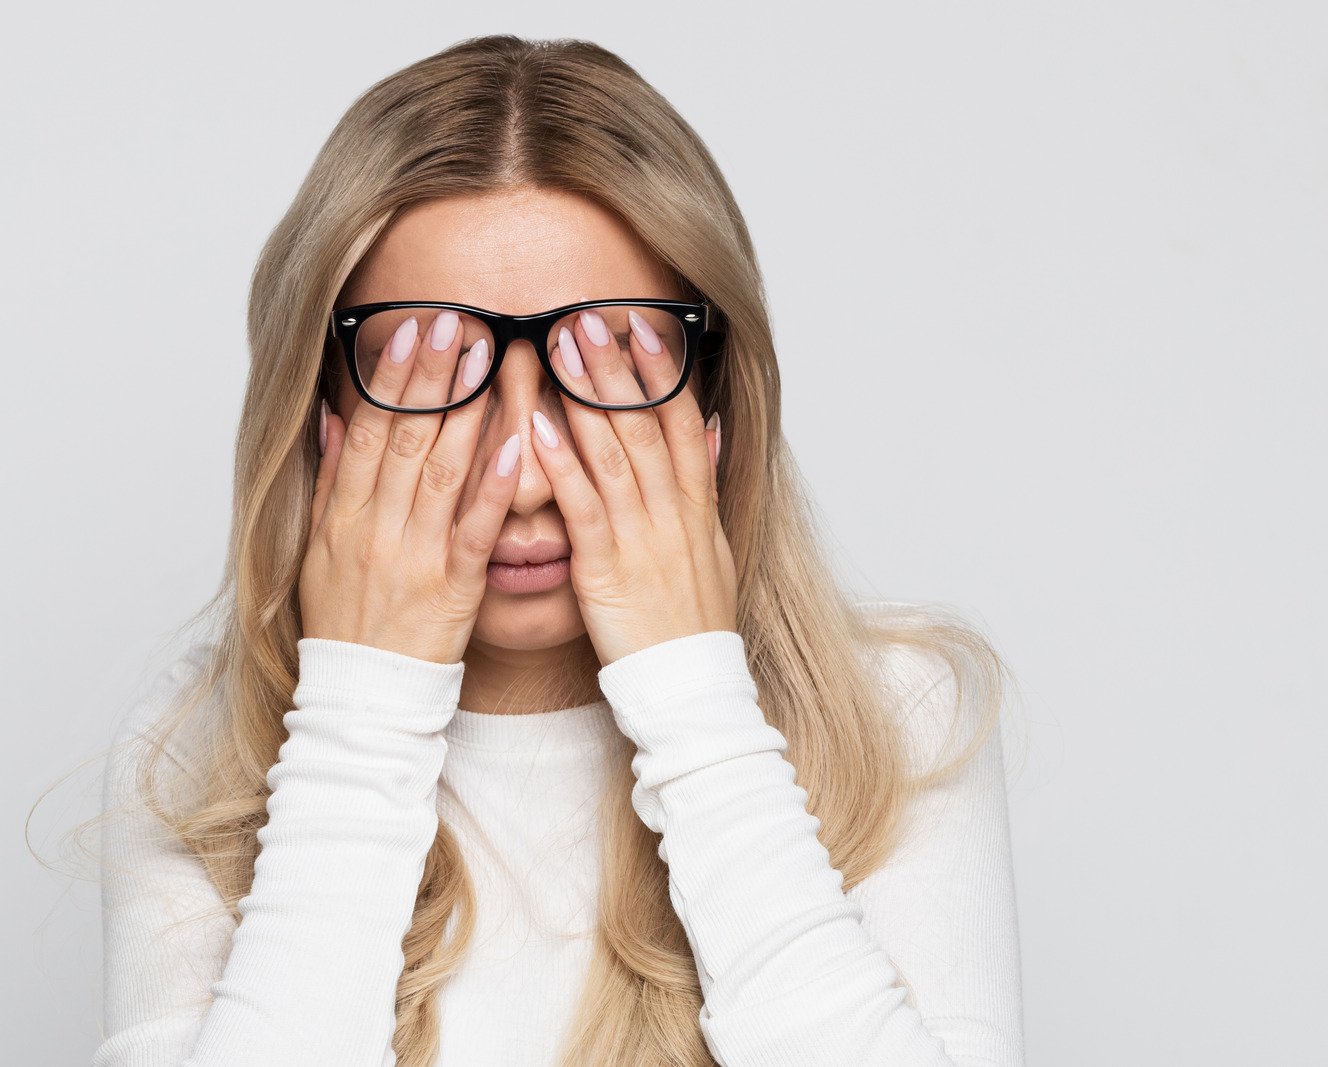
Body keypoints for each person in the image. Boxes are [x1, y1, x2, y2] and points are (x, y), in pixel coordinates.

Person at [88, 33, 1025, 1067]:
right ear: (320, 416)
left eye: (611, 361)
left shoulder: (898, 721)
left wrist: (695, 700)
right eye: (428, 366)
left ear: (714, 404)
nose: (525, 477)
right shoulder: (192, 753)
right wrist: (358, 711)